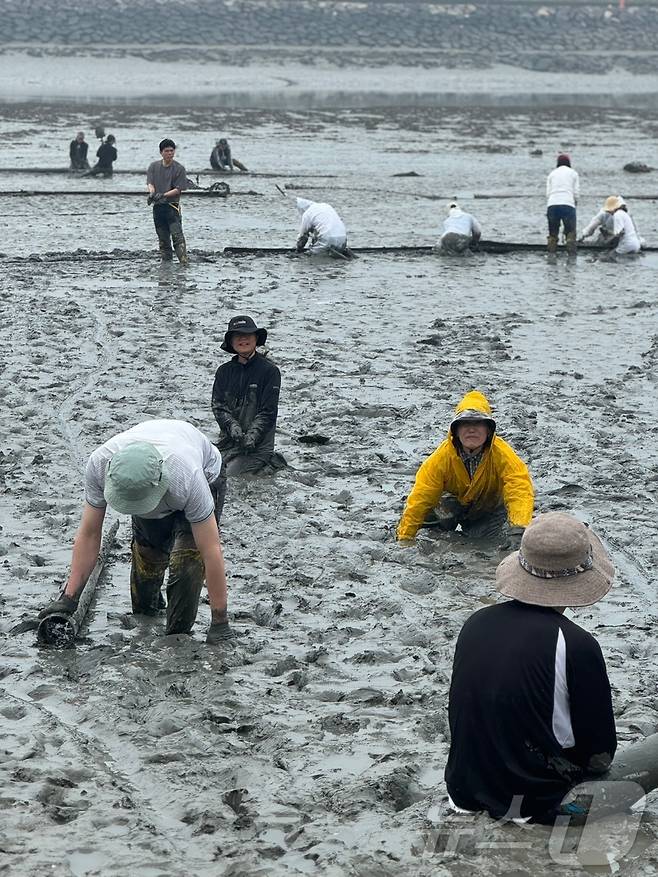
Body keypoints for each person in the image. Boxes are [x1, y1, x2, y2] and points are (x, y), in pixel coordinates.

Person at [445, 512, 619, 824]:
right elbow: (600, 753)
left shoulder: (475, 623)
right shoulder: (577, 644)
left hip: (462, 791)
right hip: (534, 803)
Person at [38, 420, 233, 644]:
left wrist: (220, 622)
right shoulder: (100, 465)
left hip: (202, 474)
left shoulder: (187, 476)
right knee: (148, 557)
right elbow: (90, 534)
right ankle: (147, 617)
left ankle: (177, 636)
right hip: (148, 474)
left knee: (187, 562)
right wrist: (69, 598)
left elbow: (210, 550)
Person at [396, 391, 533, 547]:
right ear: (455, 430)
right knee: (432, 532)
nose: (472, 429)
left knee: (486, 542)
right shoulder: (440, 459)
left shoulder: (503, 455)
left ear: (489, 430)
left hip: (488, 510)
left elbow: (519, 489)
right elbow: (421, 497)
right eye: (466, 423)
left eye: (478, 423)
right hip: (450, 507)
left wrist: (519, 529)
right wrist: (405, 537)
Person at [212, 315, 284, 476]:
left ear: (256, 339)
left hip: (258, 447)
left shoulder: (270, 371)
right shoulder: (224, 372)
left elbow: (268, 412)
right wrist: (232, 427)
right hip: (228, 442)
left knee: (227, 476)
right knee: (207, 472)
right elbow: (219, 406)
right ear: (231, 342)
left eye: (248, 335)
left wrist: (252, 436)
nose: (243, 339)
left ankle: (270, 463)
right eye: (237, 336)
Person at [146, 138, 190, 265]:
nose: (170, 153)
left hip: (172, 207)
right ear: (161, 152)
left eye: (172, 151)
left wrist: (164, 195)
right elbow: (150, 183)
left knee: (177, 236)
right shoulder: (153, 167)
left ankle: (183, 262)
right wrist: (152, 194)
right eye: (167, 151)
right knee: (163, 239)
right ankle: (166, 264)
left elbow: (178, 189)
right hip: (158, 208)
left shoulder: (179, 168)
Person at [546, 153, 579, 254]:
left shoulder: (552, 174)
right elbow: (576, 193)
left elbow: (548, 194)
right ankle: (571, 257)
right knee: (570, 233)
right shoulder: (573, 173)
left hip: (552, 205)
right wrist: (575, 204)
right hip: (568, 205)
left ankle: (551, 254)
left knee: (553, 234)